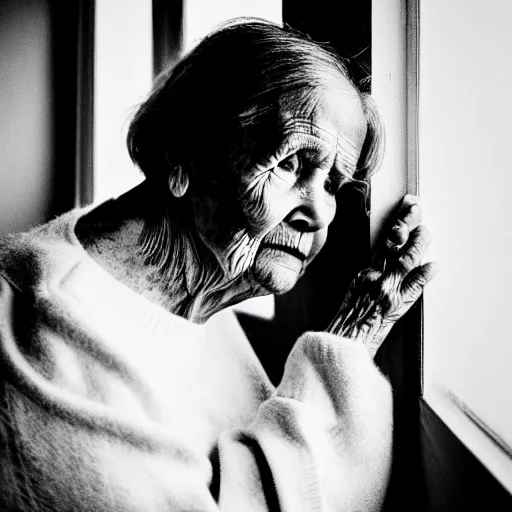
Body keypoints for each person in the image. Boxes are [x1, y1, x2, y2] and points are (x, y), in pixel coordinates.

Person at [0, 18, 435, 512]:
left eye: (333, 183)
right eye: (290, 163)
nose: (318, 214)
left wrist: (355, 333)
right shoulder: (42, 342)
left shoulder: (198, 289)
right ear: (184, 151)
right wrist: (351, 342)